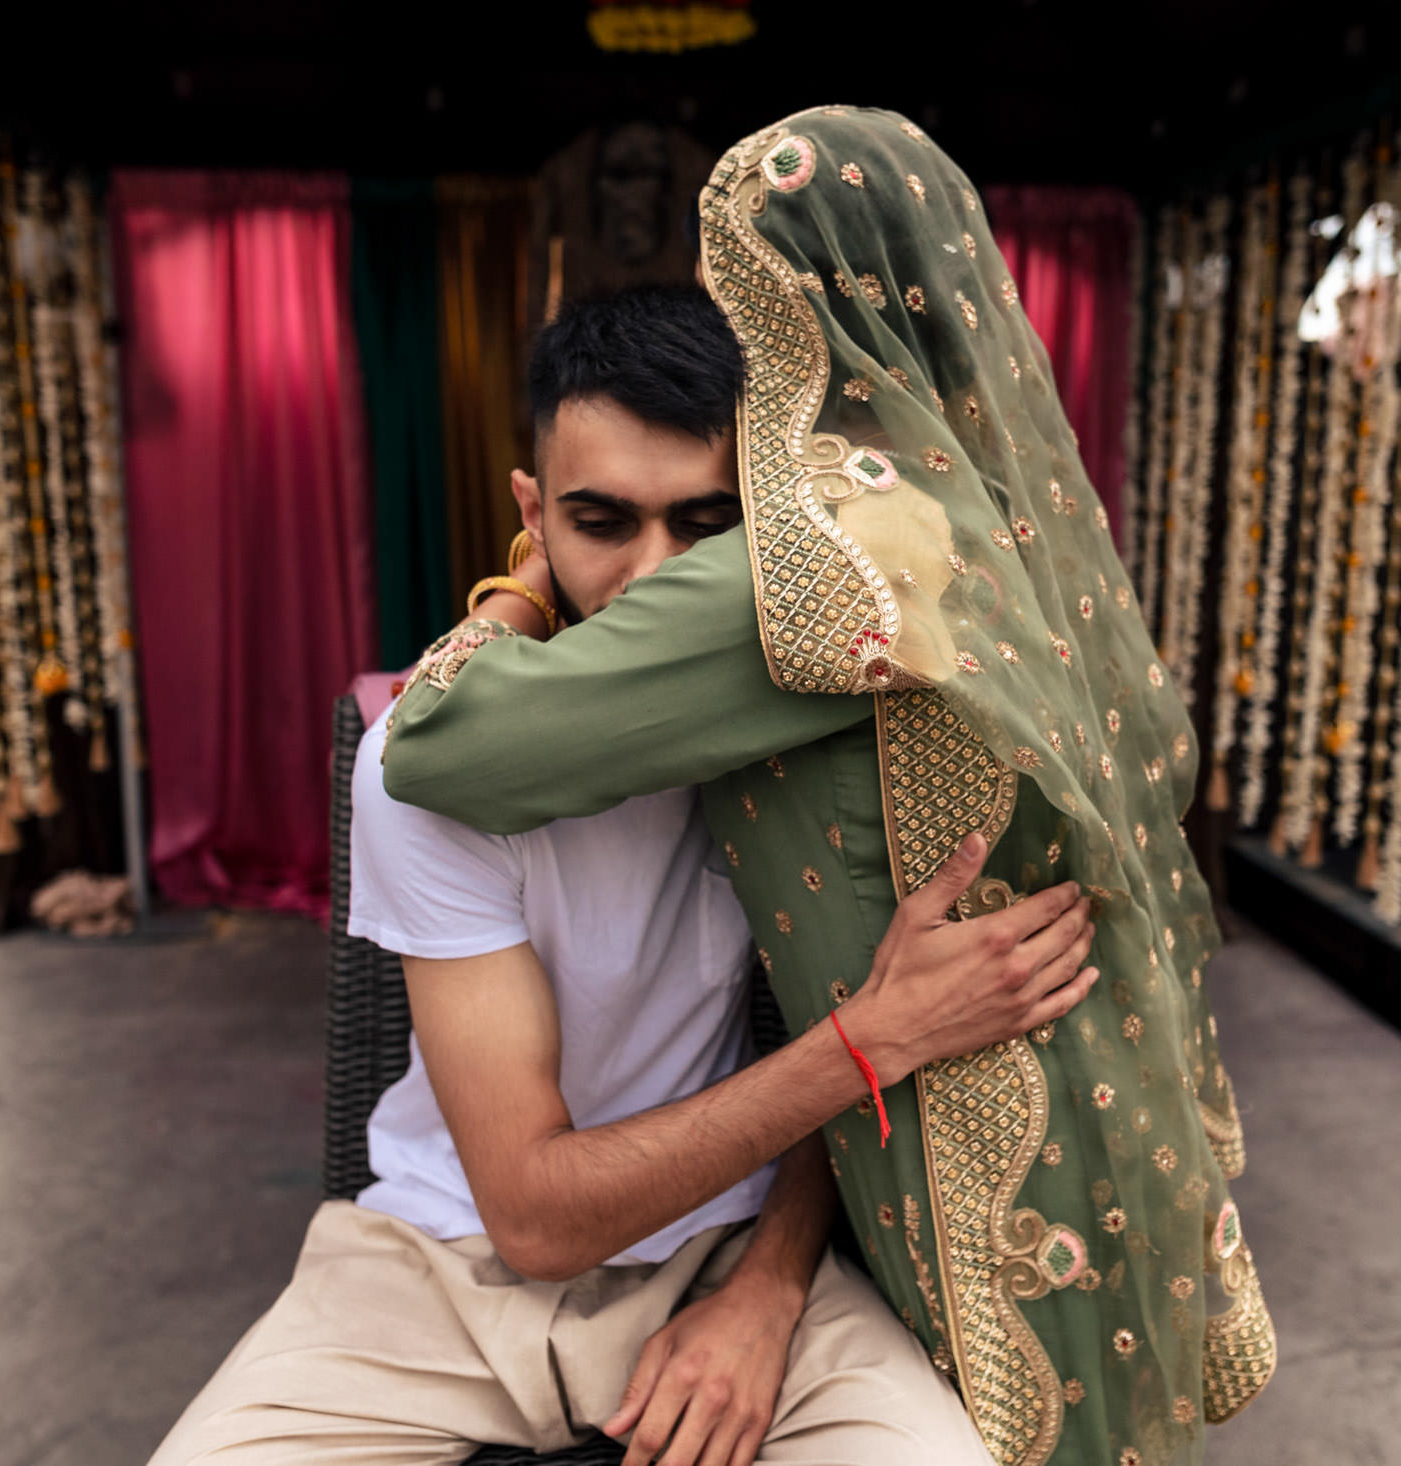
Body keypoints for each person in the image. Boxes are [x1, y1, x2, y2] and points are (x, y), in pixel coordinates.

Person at [384, 108, 1276, 1466]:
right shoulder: (976, 518)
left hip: (963, 1106)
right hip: (1087, 1058)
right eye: (597, 519)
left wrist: (516, 581)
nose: (658, 570)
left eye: (745, 287)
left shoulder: (818, 565)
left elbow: (433, 740)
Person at [146, 286, 1103, 1466]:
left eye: (707, 526)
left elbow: (827, 1029)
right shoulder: (429, 766)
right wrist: (874, 1037)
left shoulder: (814, 721)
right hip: (435, 1269)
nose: (655, 576)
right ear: (533, 515)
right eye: (604, 521)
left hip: (732, 1244)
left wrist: (768, 1287)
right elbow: (535, 1216)